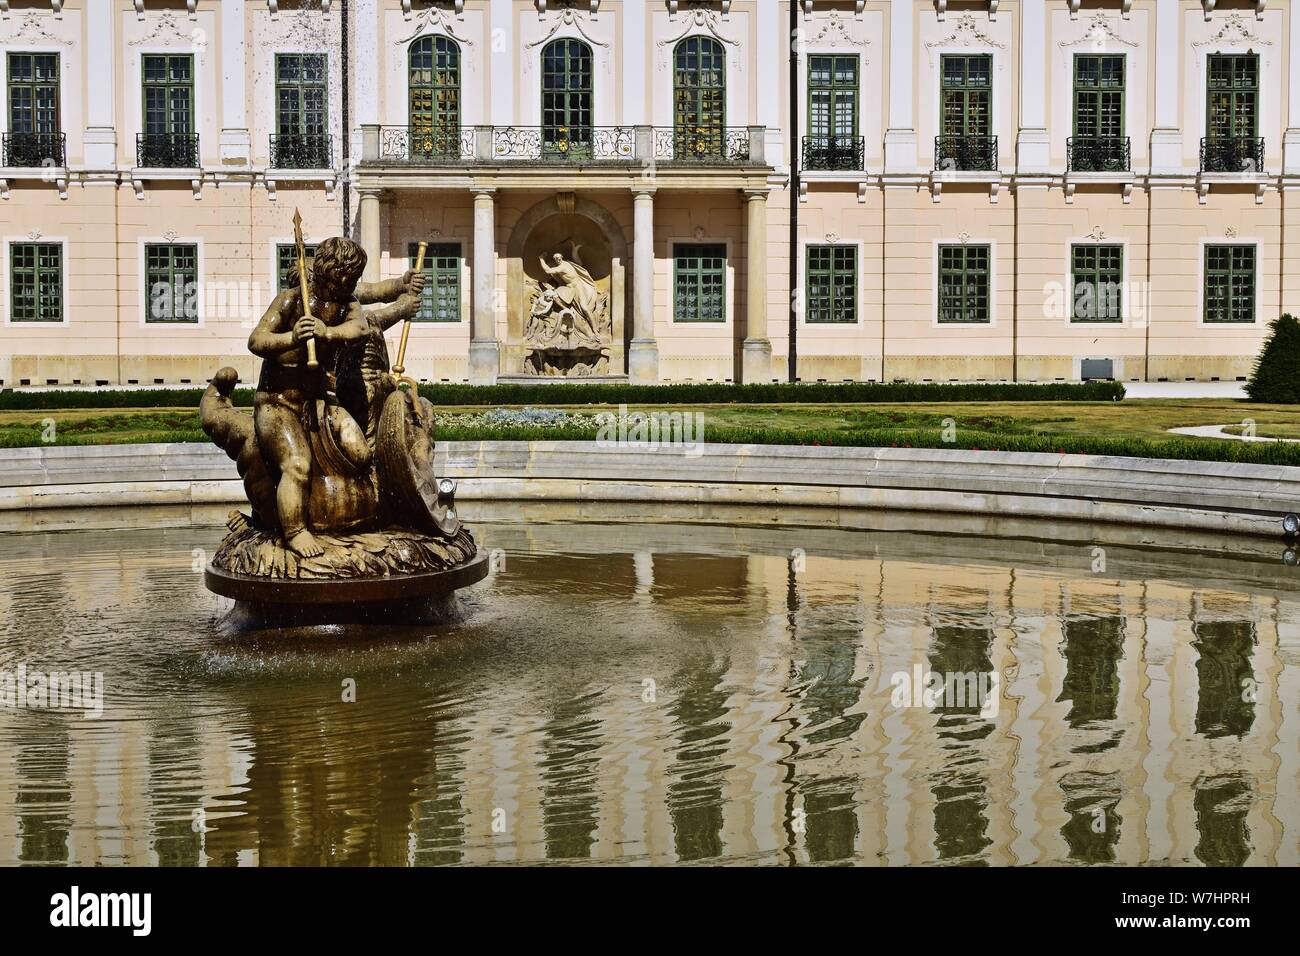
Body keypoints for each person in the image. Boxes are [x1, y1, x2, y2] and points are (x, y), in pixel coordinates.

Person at [248, 237, 376, 558]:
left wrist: (326, 333)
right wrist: (292, 337)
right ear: (332, 274)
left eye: (356, 277)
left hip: (318, 405)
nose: (353, 283)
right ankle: (295, 531)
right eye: (349, 277)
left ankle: (351, 508)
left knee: (361, 453)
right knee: (297, 464)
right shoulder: (291, 302)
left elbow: (360, 330)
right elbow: (256, 339)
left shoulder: (347, 306)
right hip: (278, 403)